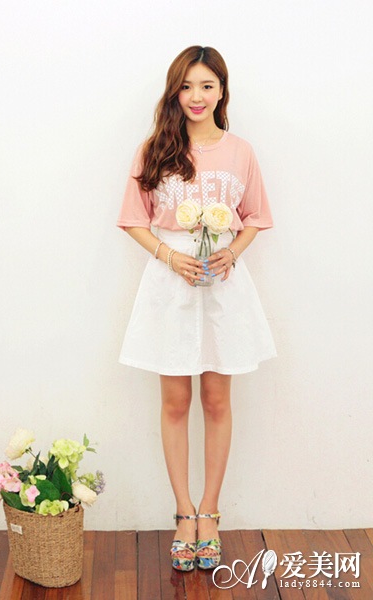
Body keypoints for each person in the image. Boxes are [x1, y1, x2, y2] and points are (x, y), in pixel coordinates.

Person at [116, 46, 276, 572]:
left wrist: (232, 251)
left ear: (222, 90)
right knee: (175, 400)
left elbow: (255, 216)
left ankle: (210, 512)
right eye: (186, 86)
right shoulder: (156, 149)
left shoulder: (241, 151)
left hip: (223, 285)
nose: (196, 96)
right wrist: (169, 256)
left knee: (216, 398)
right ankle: (183, 513)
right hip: (170, 285)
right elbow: (133, 218)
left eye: (207, 85)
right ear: (174, 92)